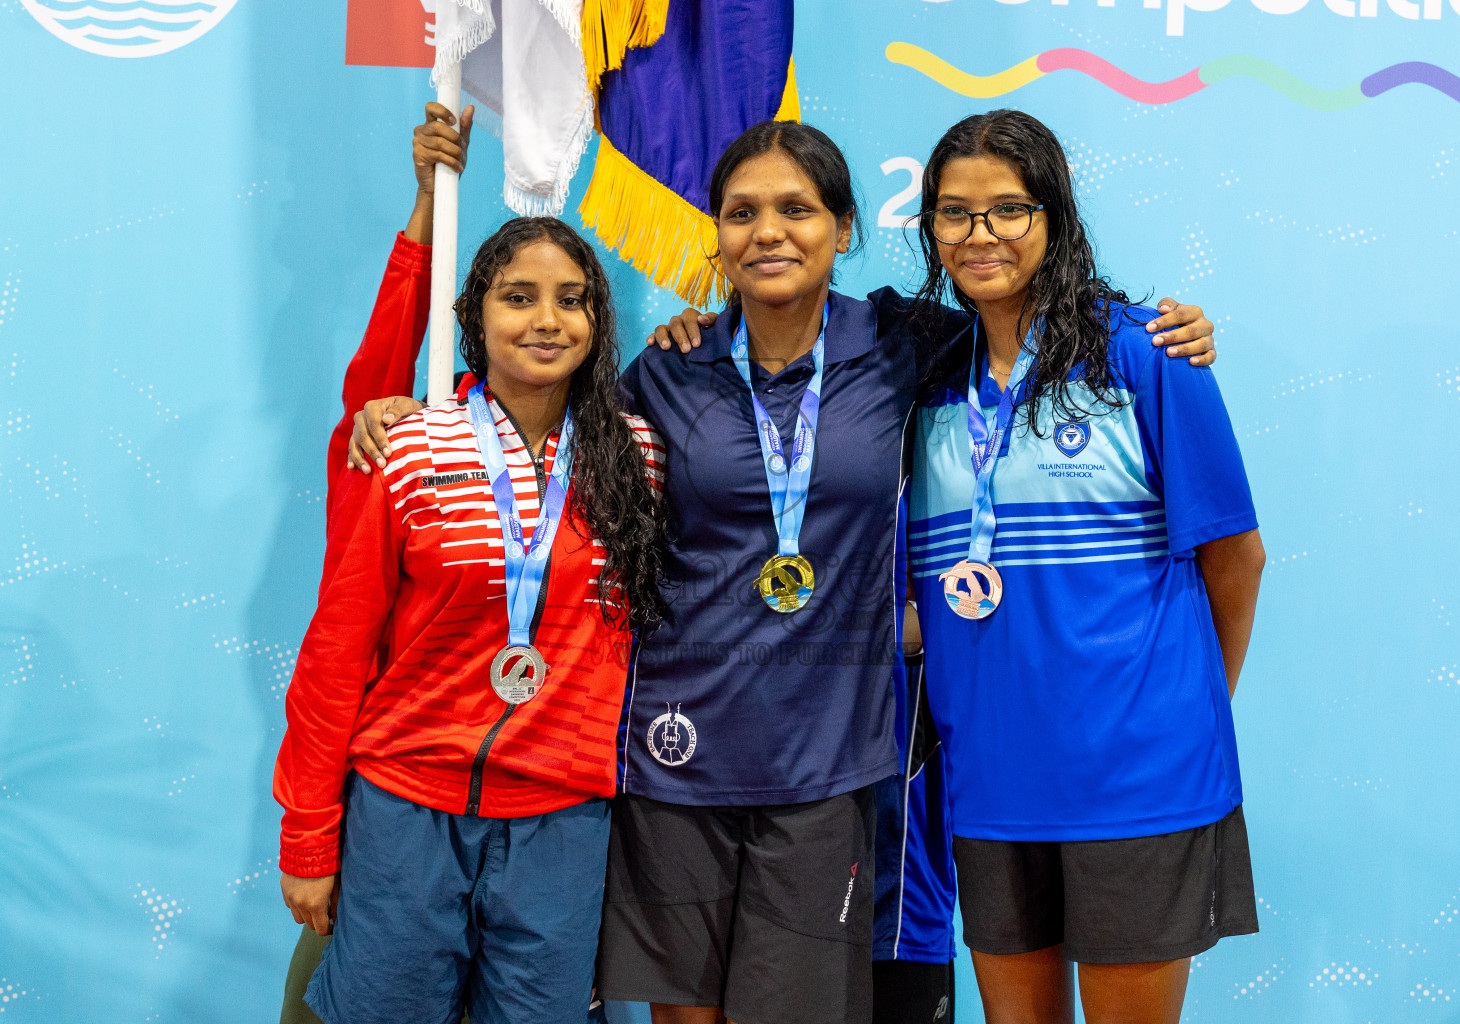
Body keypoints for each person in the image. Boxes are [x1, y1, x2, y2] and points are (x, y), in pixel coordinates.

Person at [353, 117, 1218, 1024]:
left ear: (843, 228)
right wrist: (399, 405)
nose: (768, 231)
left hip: (826, 770)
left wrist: (1155, 331)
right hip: (673, 759)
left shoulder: (904, 345)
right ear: (717, 236)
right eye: (741, 212)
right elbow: (530, 426)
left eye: (796, 209)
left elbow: (1024, 321)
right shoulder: (669, 368)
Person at [273, 123, 667, 1023]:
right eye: (519, 297)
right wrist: (309, 831)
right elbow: (338, 647)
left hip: (565, 819)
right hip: (407, 807)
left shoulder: (637, 456)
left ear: (598, 322)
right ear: (477, 316)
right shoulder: (407, 445)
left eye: (571, 300)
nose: (546, 319)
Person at [906, 109, 1265, 1024]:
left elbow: (1237, 556)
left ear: (1055, 218)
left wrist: (1184, 708)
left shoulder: (1147, 352)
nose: (980, 235)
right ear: (930, 229)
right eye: (955, 213)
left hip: (1137, 777)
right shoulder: (929, 379)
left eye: (1008, 209)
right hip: (989, 778)